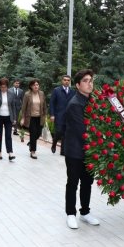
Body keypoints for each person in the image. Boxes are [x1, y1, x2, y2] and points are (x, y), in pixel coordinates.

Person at [63, 69, 99, 229]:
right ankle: (71, 214)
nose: (89, 83)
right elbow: (82, 131)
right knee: (73, 183)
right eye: (85, 80)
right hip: (75, 151)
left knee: (87, 182)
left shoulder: (94, 102)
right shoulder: (74, 104)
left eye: (91, 80)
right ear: (77, 85)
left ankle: (85, 212)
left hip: (89, 151)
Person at [0, 78, 17, 161]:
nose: (3, 88)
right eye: (2, 87)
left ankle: (10, 152)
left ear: (7, 86)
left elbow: (13, 106)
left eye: (5, 87)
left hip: (8, 117)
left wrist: (14, 118)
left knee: (8, 135)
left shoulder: (11, 94)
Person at [20, 79, 47, 159]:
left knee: (38, 133)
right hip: (31, 118)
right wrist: (22, 118)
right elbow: (24, 107)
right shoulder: (27, 94)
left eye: (37, 85)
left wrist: (45, 116)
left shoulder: (41, 94)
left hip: (40, 117)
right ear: (31, 86)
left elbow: (44, 106)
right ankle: (33, 151)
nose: (36, 86)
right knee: (33, 133)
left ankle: (31, 143)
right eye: (34, 85)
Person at [49, 75, 76, 155]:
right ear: (62, 81)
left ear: (70, 81)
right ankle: (54, 144)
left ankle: (63, 151)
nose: (66, 81)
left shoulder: (73, 92)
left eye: (68, 80)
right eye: (65, 80)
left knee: (66, 134)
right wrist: (52, 114)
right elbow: (52, 103)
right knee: (59, 131)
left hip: (68, 116)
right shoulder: (56, 90)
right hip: (59, 115)